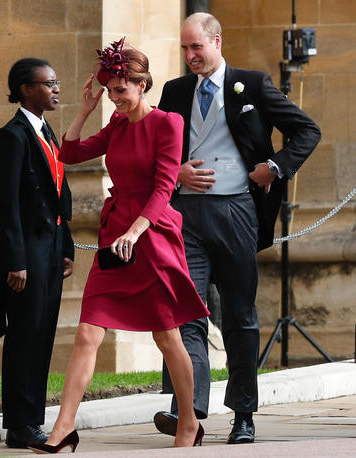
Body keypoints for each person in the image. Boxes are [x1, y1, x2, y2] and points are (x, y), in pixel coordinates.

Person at [28, 39, 210, 454]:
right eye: (109, 90)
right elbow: (68, 154)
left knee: (167, 336)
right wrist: (85, 111)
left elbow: (165, 185)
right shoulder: (115, 125)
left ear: (142, 85)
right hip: (115, 237)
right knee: (88, 332)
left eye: (121, 90)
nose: (114, 97)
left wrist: (136, 231)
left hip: (153, 236)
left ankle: (189, 420)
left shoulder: (168, 123)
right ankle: (63, 429)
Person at [154, 13, 321, 444]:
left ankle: (243, 414)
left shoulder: (254, 84)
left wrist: (274, 167)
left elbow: (306, 130)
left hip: (237, 212)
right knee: (185, 312)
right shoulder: (173, 92)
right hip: (186, 217)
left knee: (240, 318)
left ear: (217, 41)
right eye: (185, 49)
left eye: (197, 47)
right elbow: (155, 150)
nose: (191, 56)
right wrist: (175, 176)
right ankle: (187, 412)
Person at [0, 58, 75, 449]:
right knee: (24, 336)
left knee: (42, 335)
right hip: (26, 252)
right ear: (25, 89)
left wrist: (67, 246)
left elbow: (58, 195)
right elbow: (6, 204)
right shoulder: (13, 135)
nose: (56, 89)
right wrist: (16, 260)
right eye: (49, 83)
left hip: (52, 249)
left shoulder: (46, 131)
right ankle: (20, 424)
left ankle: (32, 419)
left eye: (56, 83)